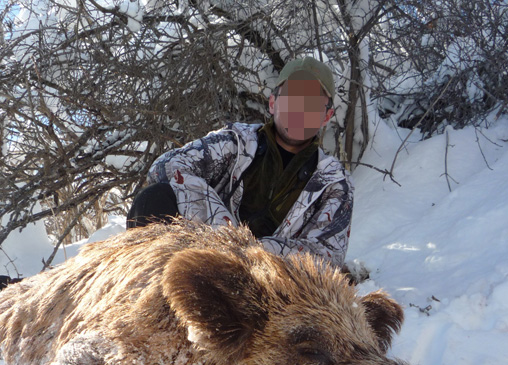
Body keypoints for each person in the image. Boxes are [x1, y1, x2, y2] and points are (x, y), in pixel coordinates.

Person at [126, 57, 354, 268]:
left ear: (326, 116)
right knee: (153, 200)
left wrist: (252, 252)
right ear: (273, 103)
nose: (300, 110)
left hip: (274, 288)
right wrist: (226, 232)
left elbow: (328, 255)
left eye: (312, 103)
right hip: (202, 261)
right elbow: (164, 167)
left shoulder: (335, 182)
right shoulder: (236, 141)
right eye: (292, 98)